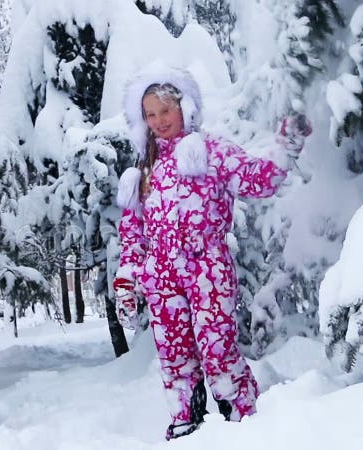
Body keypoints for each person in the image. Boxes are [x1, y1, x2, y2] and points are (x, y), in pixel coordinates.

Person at [112, 64, 311, 441]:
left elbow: (259, 178)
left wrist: (287, 146)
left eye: (165, 111)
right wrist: (128, 280)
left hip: (207, 268)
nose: (158, 121)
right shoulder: (144, 170)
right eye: (150, 114)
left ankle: (244, 420)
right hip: (162, 277)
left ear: (184, 107)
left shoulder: (210, 151)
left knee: (216, 347)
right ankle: (186, 422)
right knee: (174, 356)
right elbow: (133, 233)